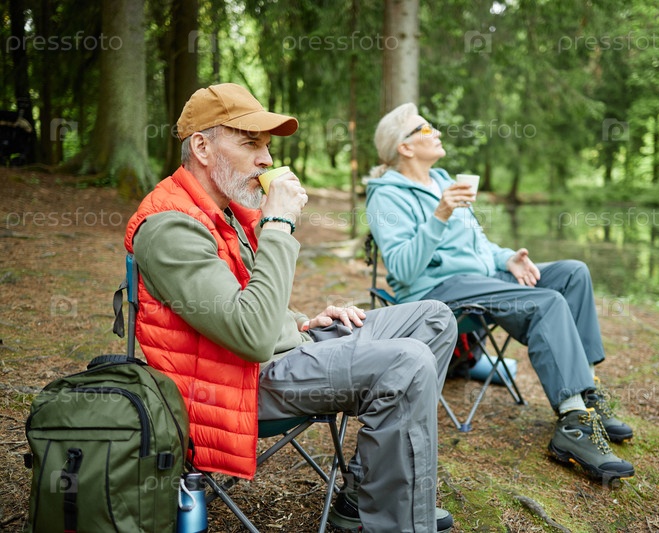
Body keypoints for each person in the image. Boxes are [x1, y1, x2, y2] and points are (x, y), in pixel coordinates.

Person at [124, 84, 457, 532]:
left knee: (433, 318)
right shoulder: (169, 228)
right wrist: (279, 225)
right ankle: (401, 524)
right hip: (234, 383)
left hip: (277, 354)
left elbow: (246, 299)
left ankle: (362, 493)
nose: (266, 159)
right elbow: (251, 337)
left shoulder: (224, 210)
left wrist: (302, 320)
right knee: (408, 361)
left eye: (266, 146)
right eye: (250, 144)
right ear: (202, 147)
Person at [365, 103, 635, 483]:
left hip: (483, 278)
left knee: (573, 273)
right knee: (546, 303)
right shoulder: (386, 196)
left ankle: (586, 396)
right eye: (425, 128)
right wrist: (440, 215)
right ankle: (573, 425)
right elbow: (404, 269)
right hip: (437, 292)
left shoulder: (442, 180)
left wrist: (508, 258)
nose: (436, 132)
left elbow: (478, 245)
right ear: (405, 147)